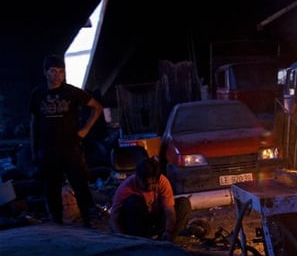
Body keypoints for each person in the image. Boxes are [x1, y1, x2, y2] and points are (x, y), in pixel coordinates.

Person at [30, 54, 103, 228]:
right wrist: (34, 149)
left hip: (70, 147)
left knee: (80, 184)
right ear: (45, 73)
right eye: (53, 72)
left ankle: (88, 221)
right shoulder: (38, 94)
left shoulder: (71, 92)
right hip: (48, 149)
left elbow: (97, 108)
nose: (57, 76)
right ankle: (57, 224)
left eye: (60, 72)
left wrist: (84, 130)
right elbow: (33, 122)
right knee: (51, 188)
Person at [110, 156, 191, 241]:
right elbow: (114, 218)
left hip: (155, 221)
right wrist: (123, 238)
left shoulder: (162, 181)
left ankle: (166, 240)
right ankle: (140, 240)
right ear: (138, 177)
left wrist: (168, 231)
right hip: (136, 224)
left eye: (154, 183)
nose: (150, 187)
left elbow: (169, 211)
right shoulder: (126, 187)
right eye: (147, 184)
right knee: (134, 202)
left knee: (183, 204)